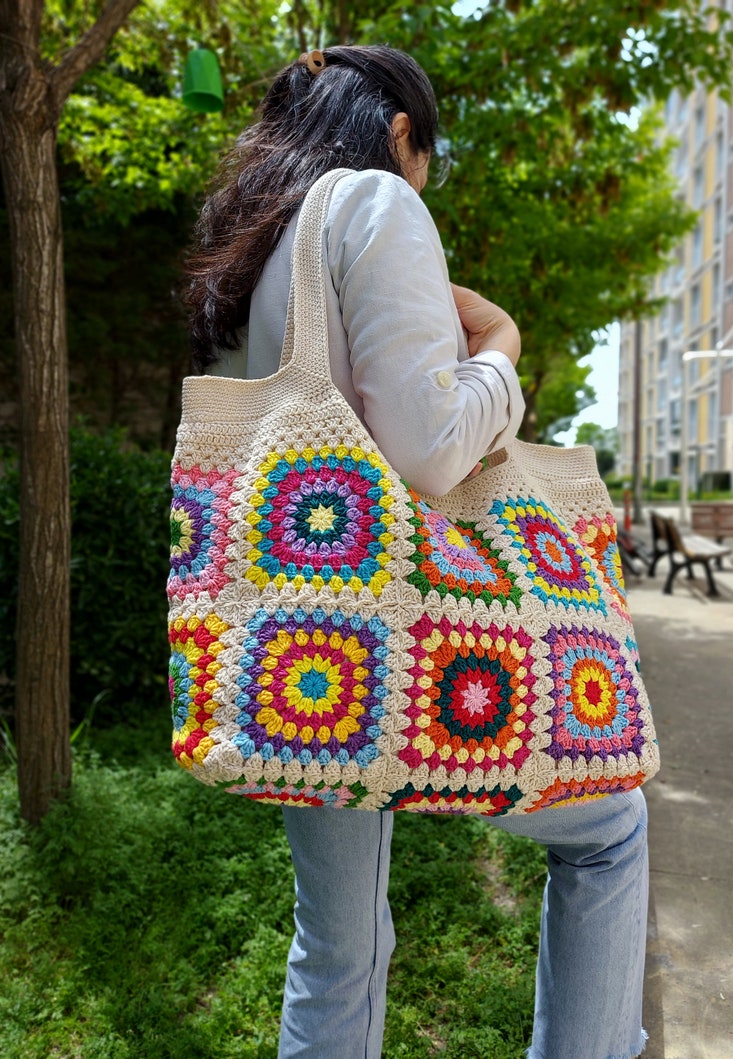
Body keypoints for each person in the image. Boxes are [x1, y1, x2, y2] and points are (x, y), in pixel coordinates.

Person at [184, 44, 649, 1059]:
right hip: (394, 640)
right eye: (430, 154)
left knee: (337, 944)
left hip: (304, 647)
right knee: (609, 831)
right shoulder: (376, 204)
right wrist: (502, 352)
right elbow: (430, 453)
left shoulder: (258, 255)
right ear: (403, 133)